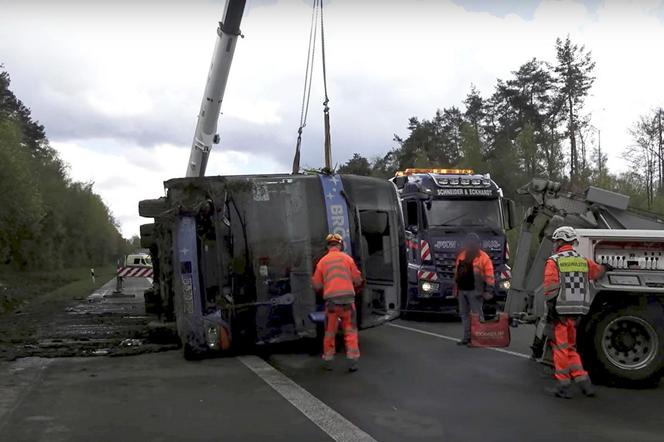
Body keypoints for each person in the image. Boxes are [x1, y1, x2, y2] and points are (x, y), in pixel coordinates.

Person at [544, 226, 608, 399]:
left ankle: (563, 385)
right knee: (570, 348)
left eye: (556, 241)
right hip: (578, 311)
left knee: (560, 348)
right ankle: (584, 383)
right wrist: (606, 267)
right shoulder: (582, 260)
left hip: (561, 311)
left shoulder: (554, 261)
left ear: (559, 241)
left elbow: (550, 288)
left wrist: (551, 308)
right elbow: (597, 272)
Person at [312, 233, 364, 372]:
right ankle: (353, 360)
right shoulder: (348, 259)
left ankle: (328, 360)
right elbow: (358, 280)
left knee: (330, 332)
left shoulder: (322, 261)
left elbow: (316, 285)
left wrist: (326, 286)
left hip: (331, 303)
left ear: (328, 246)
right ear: (340, 245)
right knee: (350, 330)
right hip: (348, 301)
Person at [454, 232, 495, 346]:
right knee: (464, 314)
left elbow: (489, 275)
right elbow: (457, 273)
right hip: (462, 290)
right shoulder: (462, 255)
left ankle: (479, 339)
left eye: (473, 242)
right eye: (469, 242)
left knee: (477, 314)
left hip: (475, 291)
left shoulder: (483, 257)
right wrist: (455, 288)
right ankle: (467, 338)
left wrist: (488, 290)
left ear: (477, 244)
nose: (471, 244)